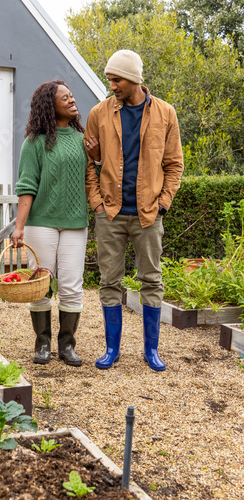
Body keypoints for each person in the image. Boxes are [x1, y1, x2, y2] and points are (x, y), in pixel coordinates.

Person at [84, 50, 184, 372]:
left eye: (117, 79)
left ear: (134, 79)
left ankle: (150, 351)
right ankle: (112, 349)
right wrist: (98, 204)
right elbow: (89, 165)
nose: (111, 85)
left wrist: (163, 203)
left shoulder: (166, 114)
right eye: (110, 79)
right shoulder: (98, 114)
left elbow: (174, 165)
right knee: (109, 281)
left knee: (151, 281)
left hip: (148, 215)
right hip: (110, 214)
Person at [11, 80, 88, 367]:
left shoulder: (83, 140)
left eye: (71, 96)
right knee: (41, 284)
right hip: (41, 223)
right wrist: (19, 227)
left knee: (71, 286)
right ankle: (42, 344)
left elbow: (96, 177)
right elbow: (27, 185)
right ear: (49, 105)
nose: (71, 100)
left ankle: (66, 345)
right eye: (64, 97)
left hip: (75, 223)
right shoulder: (34, 142)